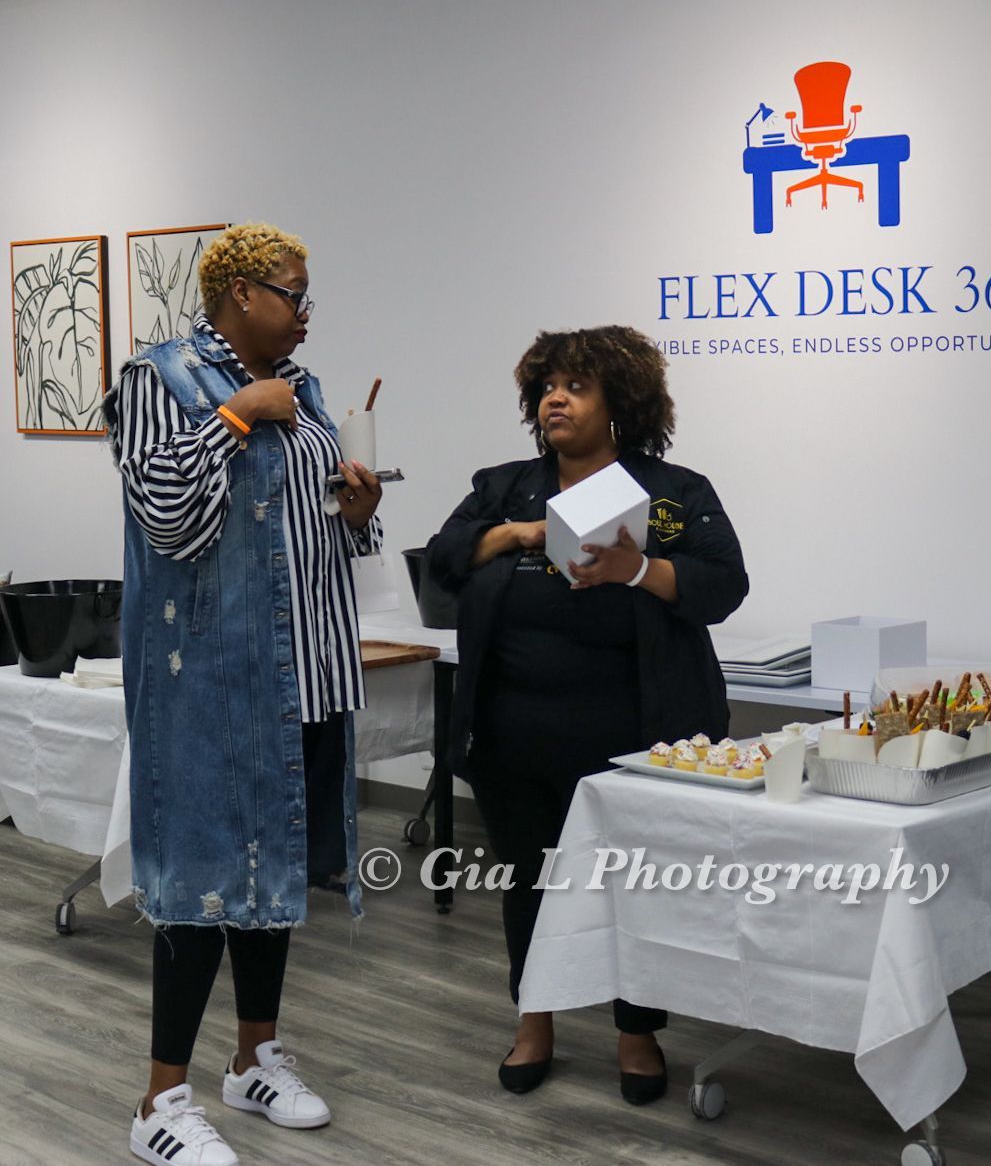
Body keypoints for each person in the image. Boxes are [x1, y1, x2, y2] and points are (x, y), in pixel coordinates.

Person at [104, 222, 382, 1166]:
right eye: (294, 293)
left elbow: (301, 542)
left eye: (307, 296)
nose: (306, 312)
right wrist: (233, 418)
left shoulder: (303, 394)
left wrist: (354, 515)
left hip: (303, 675)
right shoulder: (161, 380)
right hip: (213, 684)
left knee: (276, 874)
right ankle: (158, 1101)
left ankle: (253, 1056)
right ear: (239, 295)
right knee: (201, 880)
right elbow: (170, 523)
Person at [427, 325, 748, 1104]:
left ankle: (635, 1031)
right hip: (514, 728)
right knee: (527, 881)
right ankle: (533, 1017)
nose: (555, 399)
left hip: (636, 733)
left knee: (631, 886)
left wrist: (636, 568)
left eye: (576, 386)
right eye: (546, 387)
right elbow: (443, 556)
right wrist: (518, 532)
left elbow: (724, 585)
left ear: (620, 403)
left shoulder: (675, 495)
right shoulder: (505, 486)